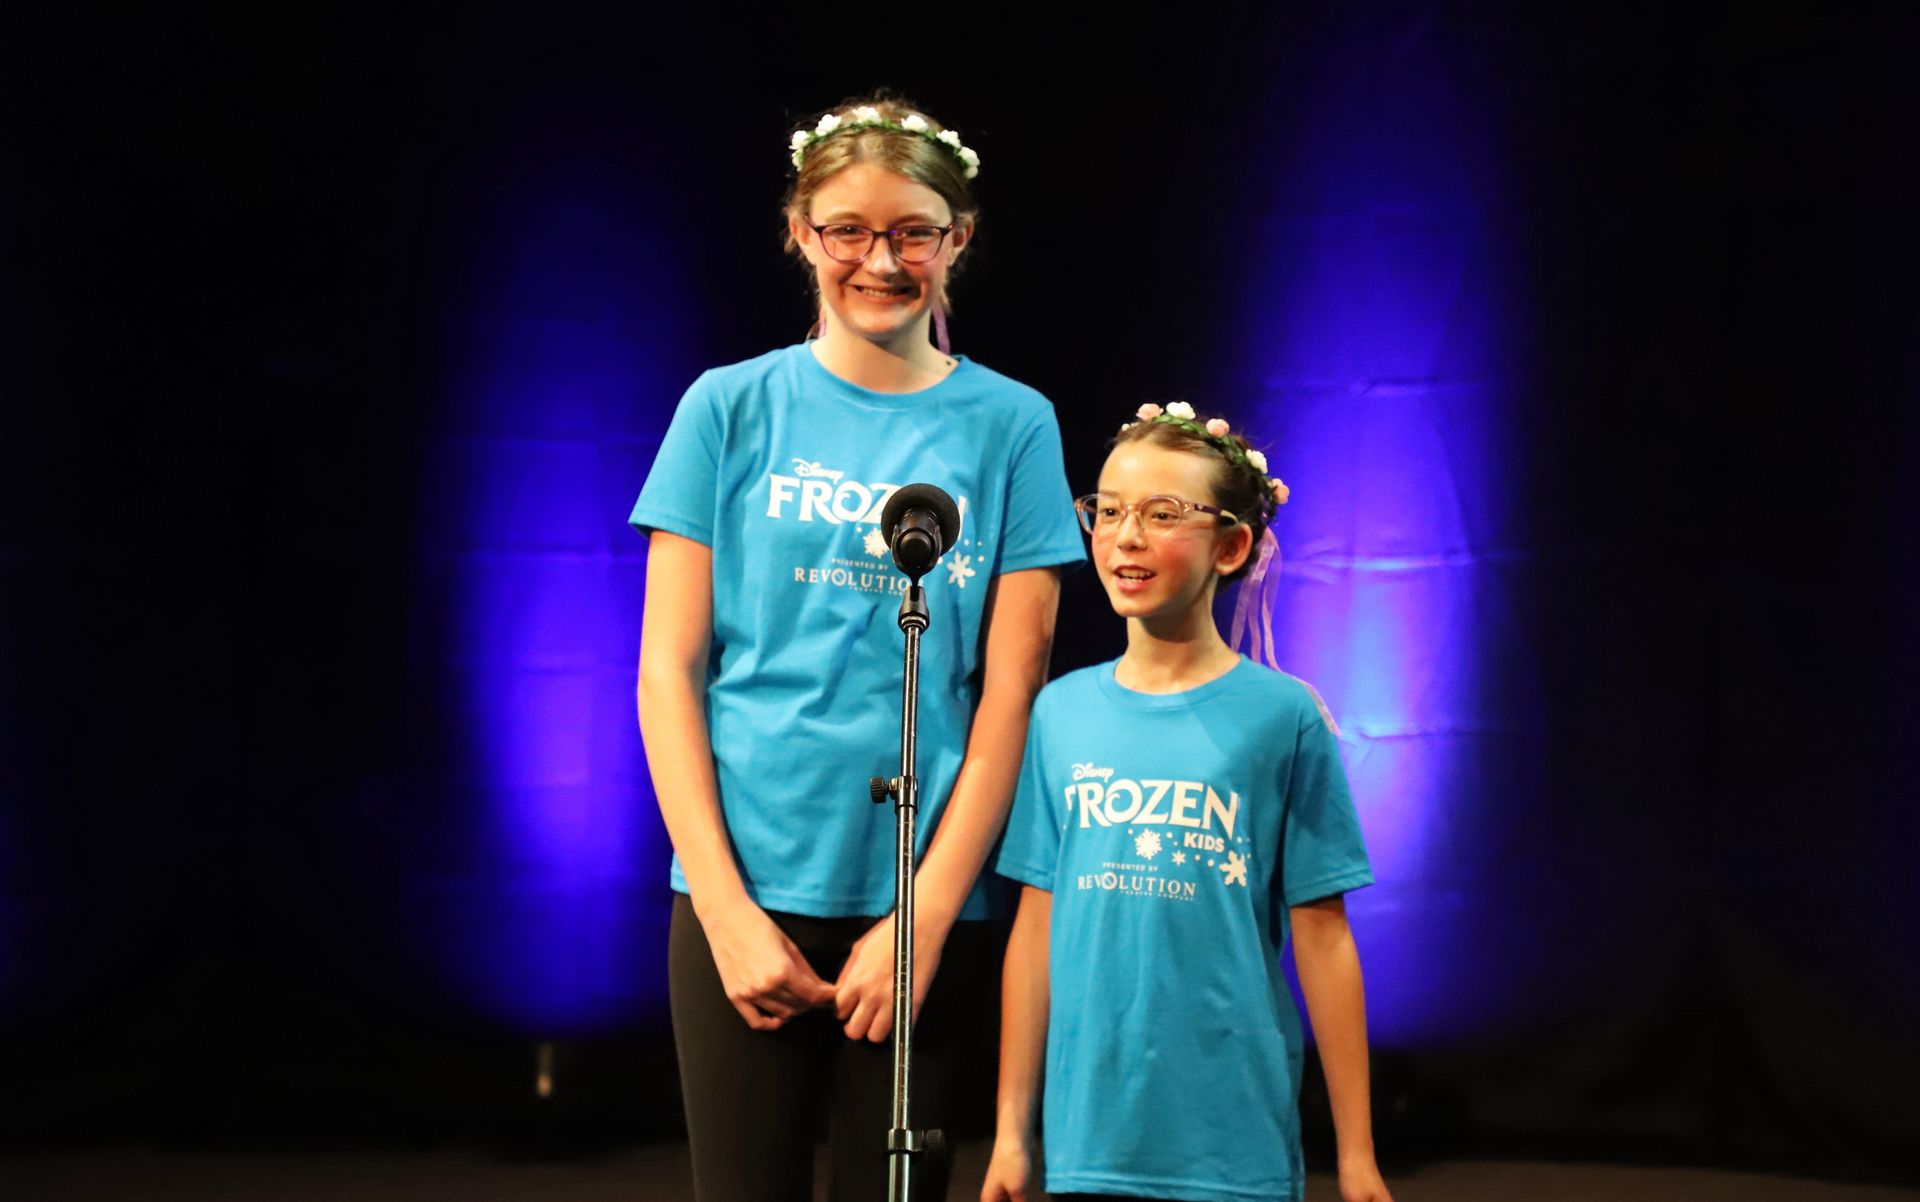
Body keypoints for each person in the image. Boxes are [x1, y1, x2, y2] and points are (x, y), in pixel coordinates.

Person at [631, 94, 1085, 1202]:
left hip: (923, 892)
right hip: (745, 889)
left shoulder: (1013, 423)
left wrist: (924, 916)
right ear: (800, 232)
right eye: (847, 229)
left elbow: (1007, 695)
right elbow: (666, 673)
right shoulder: (727, 407)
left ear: (958, 239)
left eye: (913, 231)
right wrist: (728, 912)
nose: (880, 259)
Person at [983, 403, 1394, 1202]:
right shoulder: (1061, 713)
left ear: (1231, 546)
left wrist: (1356, 1154)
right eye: (1108, 510)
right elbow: (1037, 927)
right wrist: (1009, 1132)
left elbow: (1323, 937)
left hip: (1233, 1143)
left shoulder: (1282, 717)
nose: (1125, 536)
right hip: (1091, 1139)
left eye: (1162, 514)